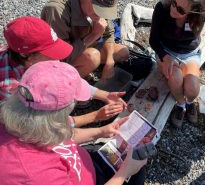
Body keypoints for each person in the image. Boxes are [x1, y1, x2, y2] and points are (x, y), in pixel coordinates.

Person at [0, 60, 146, 185]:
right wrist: (124, 172)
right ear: (57, 114)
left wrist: (102, 131)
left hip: (81, 163)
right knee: (136, 171)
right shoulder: (36, 176)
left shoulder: (20, 119)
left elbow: (60, 137)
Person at [0, 16, 126, 127]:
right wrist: (94, 117)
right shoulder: (11, 88)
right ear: (25, 55)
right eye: (49, 52)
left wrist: (105, 95)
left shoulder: (37, 59)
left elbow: (69, 80)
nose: (57, 58)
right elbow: (40, 127)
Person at [41, 0, 129, 79]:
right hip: (58, 58)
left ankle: (85, 68)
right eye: (98, 9)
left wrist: (109, 62)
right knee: (92, 58)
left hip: (82, 45)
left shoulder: (100, 2)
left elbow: (109, 33)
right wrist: (93, 35)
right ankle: (65, 83)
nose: (101, 14)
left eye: (105, 10)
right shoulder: (57, 11)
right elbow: (60, 57)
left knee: (123, 52)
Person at [149, 0, 205, 128]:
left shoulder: (200, 14)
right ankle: (181, 104)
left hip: (189, 52)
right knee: (175, 80)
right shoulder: (162, 7)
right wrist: (165, 57)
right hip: (166, 50)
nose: (174, 9)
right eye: (174, 2)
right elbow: (153, 40)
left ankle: (190, 101)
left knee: (192, 89)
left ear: (194, 10)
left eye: (181, 10)